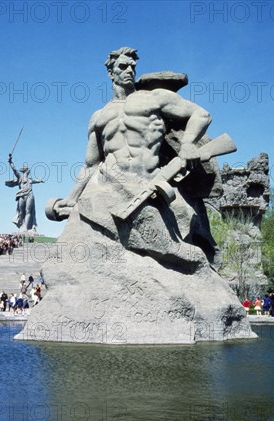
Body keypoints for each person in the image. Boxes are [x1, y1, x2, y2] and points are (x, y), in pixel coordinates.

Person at [49, 46, 217, 270]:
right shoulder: (98, 117)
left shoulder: (153, 98)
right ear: (111, 73)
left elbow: (201, 114)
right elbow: (90, 164)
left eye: (132, 66)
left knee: (179, 244)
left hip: (150, 185)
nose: (129, 70)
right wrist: (71, 199)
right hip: (108, 186)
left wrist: (187, 143)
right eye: (123, 66)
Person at [6, 155, 43, 231]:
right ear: (25, 170)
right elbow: (14, 170)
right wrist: (10, 162)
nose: (29, 170)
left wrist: (40, 180)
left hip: (30, 195)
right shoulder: (20, 178)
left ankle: (26, 227)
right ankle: (22, 226)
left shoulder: (30, 180)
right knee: (21, 212)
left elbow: (36, 180)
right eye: (27, 169)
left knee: (28, 211)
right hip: (21, 195)